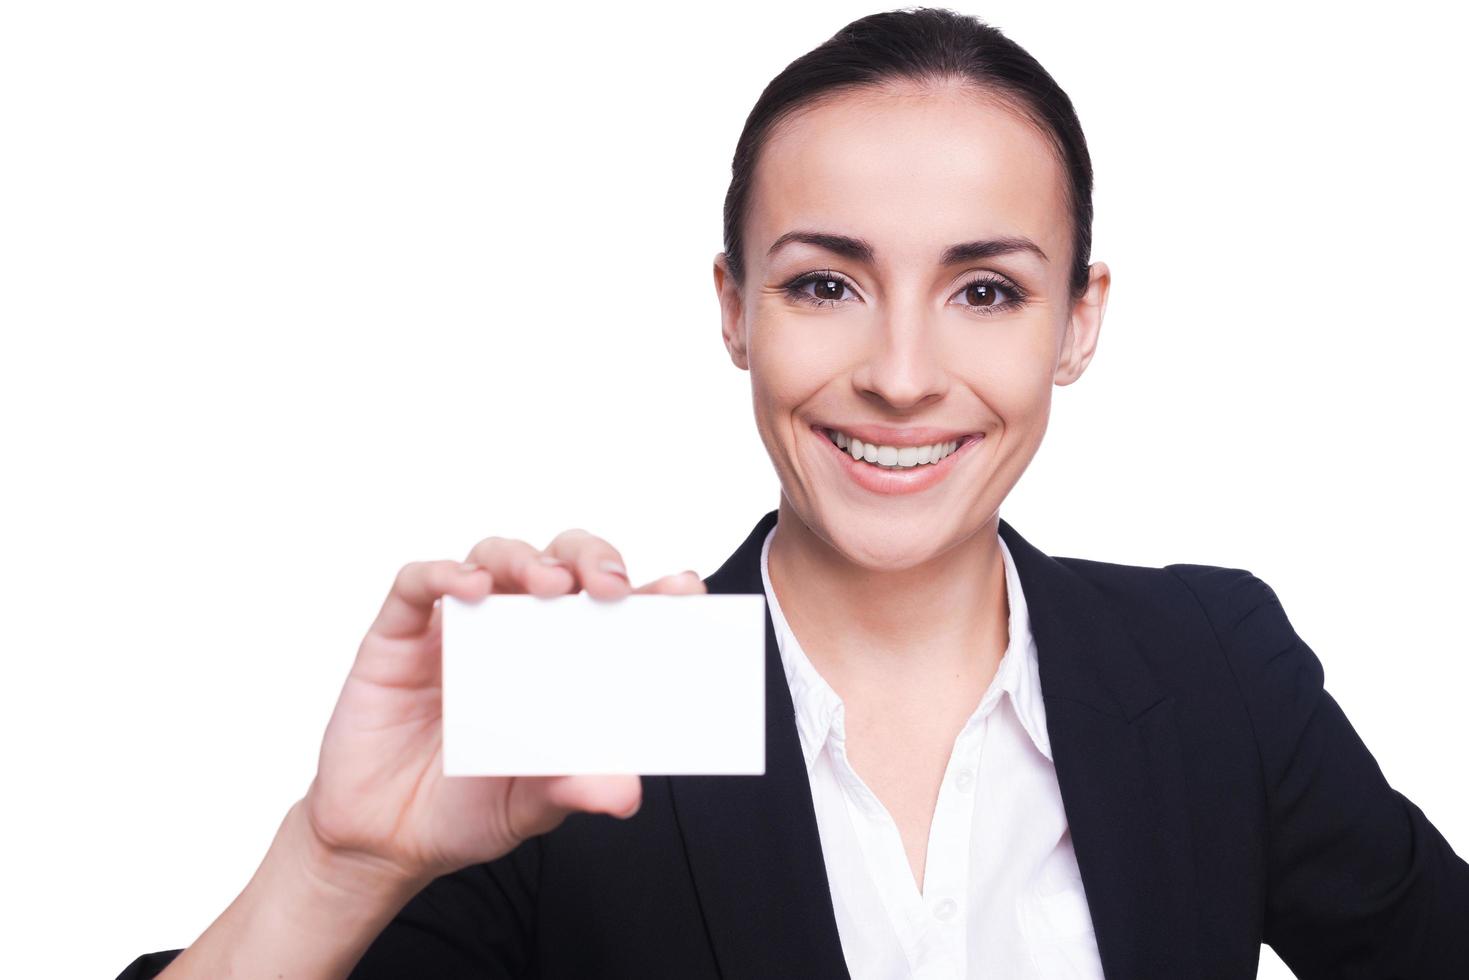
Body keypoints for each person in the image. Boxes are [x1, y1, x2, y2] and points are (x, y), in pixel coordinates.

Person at [118, 7, 1469, 979]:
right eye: (825, 283)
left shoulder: (1210, 668)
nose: (897, 374)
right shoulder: (584, 718)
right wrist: (336, 862)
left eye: (984, 291)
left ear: (1076, 321)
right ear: (735, 310)